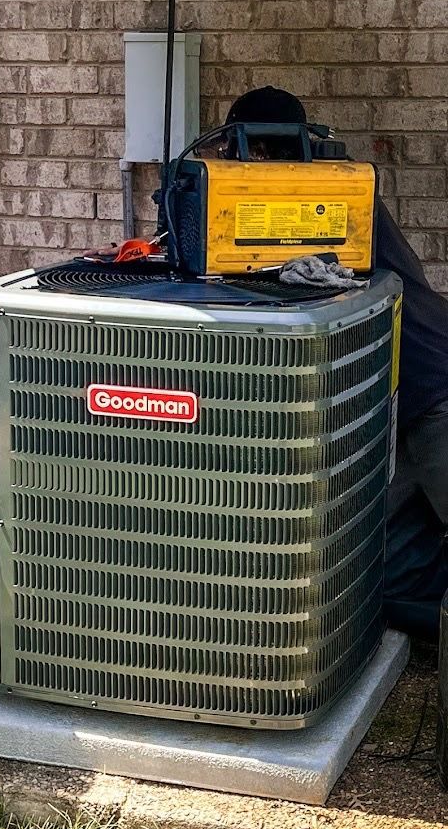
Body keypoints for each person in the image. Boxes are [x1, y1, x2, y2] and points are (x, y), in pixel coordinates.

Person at [98, 87, 448, 641]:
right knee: (395, 566)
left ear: (255, 152)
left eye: (238, 153)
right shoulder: (326, 189)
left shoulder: (305, 196)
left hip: (431, 384)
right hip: (393, 396)